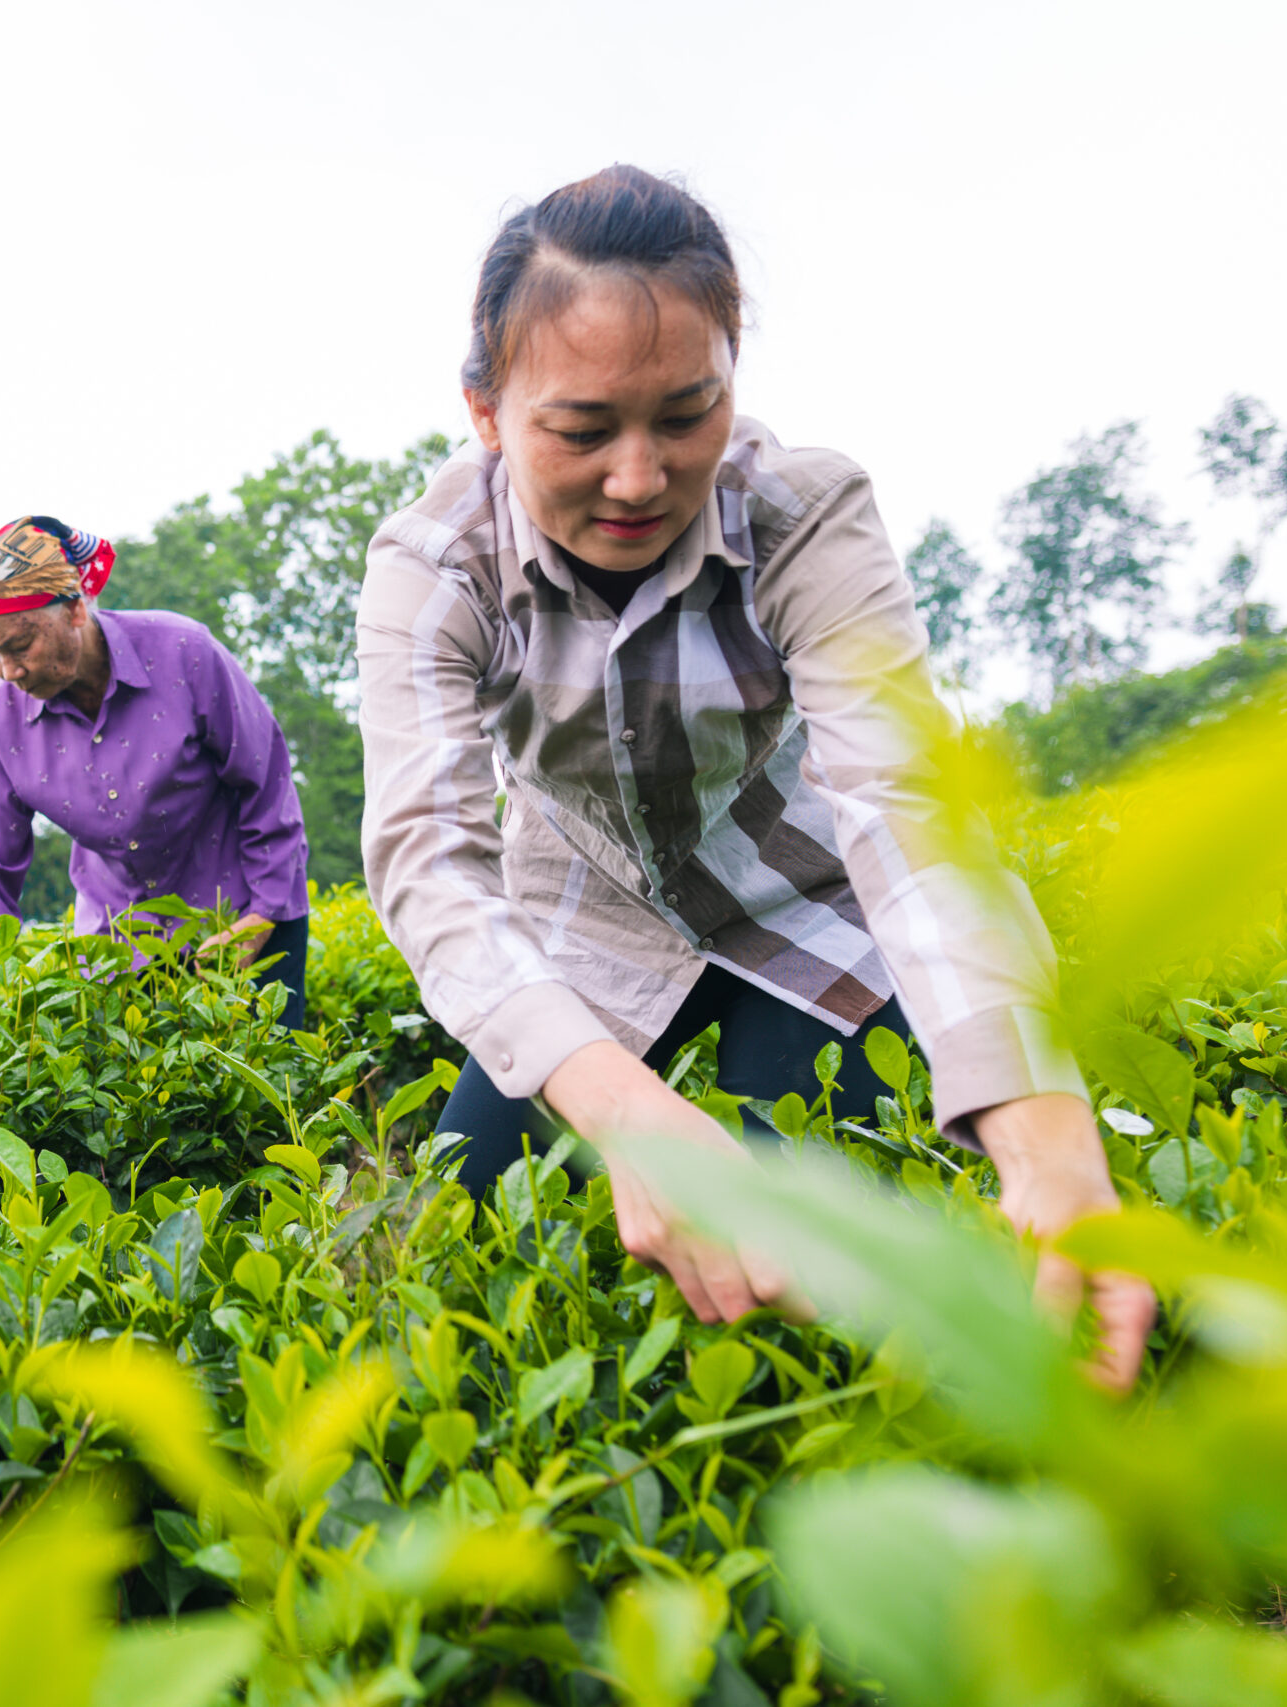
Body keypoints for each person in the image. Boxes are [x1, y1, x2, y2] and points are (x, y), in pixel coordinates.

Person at [356, 166, 1153, 1386]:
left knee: (815, 1245)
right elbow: (430, 864)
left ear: (734, 375)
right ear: (483, 410)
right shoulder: (434, 566)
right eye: (579, 431)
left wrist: (1045, 1135)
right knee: (455, 1227)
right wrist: (627, 1117)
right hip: (585, 929)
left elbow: (908, 809)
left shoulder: (802, 514)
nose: (637, 479)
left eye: (685, 415)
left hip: (799, 914)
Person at [0, 516, 312, 1025]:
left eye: (19, 646)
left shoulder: (184, 653)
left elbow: (266, 783)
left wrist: (258, 920)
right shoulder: (0, 717)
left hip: (243, 918)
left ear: (75, 607)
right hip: (119, 956)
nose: (10, 672)